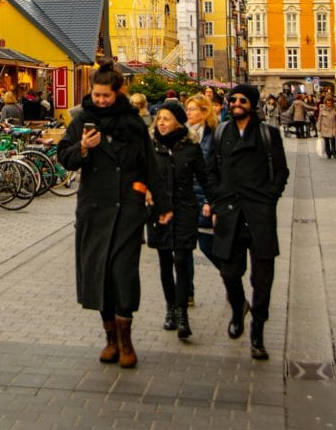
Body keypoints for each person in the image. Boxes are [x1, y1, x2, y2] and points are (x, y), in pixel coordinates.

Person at [57, 59, 172, 369]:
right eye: (96, 95)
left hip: (127, 210)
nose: (101, 101)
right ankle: (109, 338)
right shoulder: (81, 121)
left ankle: (126, 339)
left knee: (123, 274)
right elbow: (64, 159)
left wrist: (162, 206)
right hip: (94, 209)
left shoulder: (133, 125)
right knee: (99, 275)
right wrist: (81, 148)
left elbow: (150, 166)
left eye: (106, 96)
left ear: (117, 93)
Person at [208, 83, 289, 361]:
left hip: (259, 214)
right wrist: (218, 199)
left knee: (262, 278)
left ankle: (258, 331)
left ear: (252, 104)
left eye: (243, 100)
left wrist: (269, 198)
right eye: (234, 99)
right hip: (230, 211)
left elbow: (281, 171)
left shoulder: (268, 134)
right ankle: (238, 307)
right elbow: (210, 171)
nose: (237, 103)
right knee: (229, 271)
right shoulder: (221, 133)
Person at [147, 99, 214, 341]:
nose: (161, 123)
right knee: (165, 260)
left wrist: (211, 202)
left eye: (166, 119)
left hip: (185, 209)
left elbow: (205, 178)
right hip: (158, 211)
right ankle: (171, 309)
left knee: (182, 259)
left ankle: (183, 313)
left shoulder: (190, 147)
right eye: (159, 119)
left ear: (177, 122)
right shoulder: (151, 147)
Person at [184, 93, 221, 276]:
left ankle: (231, 278)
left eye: (192, 109)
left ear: (204, 111)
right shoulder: (183, 134)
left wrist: (209, 200)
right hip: (185, 200)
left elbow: (215, 172)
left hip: (203, 200)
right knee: (183, 251)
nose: (188, 112)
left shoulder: (213, 135)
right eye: (187, 109)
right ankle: (186, 294)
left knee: (208, 246)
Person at [317, 94, 336, 158]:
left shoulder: (335, 107)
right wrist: (318, 128)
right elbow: (319, 118)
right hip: (325, 127)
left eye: (330, 103)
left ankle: (334, 152)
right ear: (325, 102)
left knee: (333, 140)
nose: (329, 104)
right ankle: (328, 153)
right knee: (326, 141)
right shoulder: (322, 108)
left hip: (333, 126)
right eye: (328, 103)